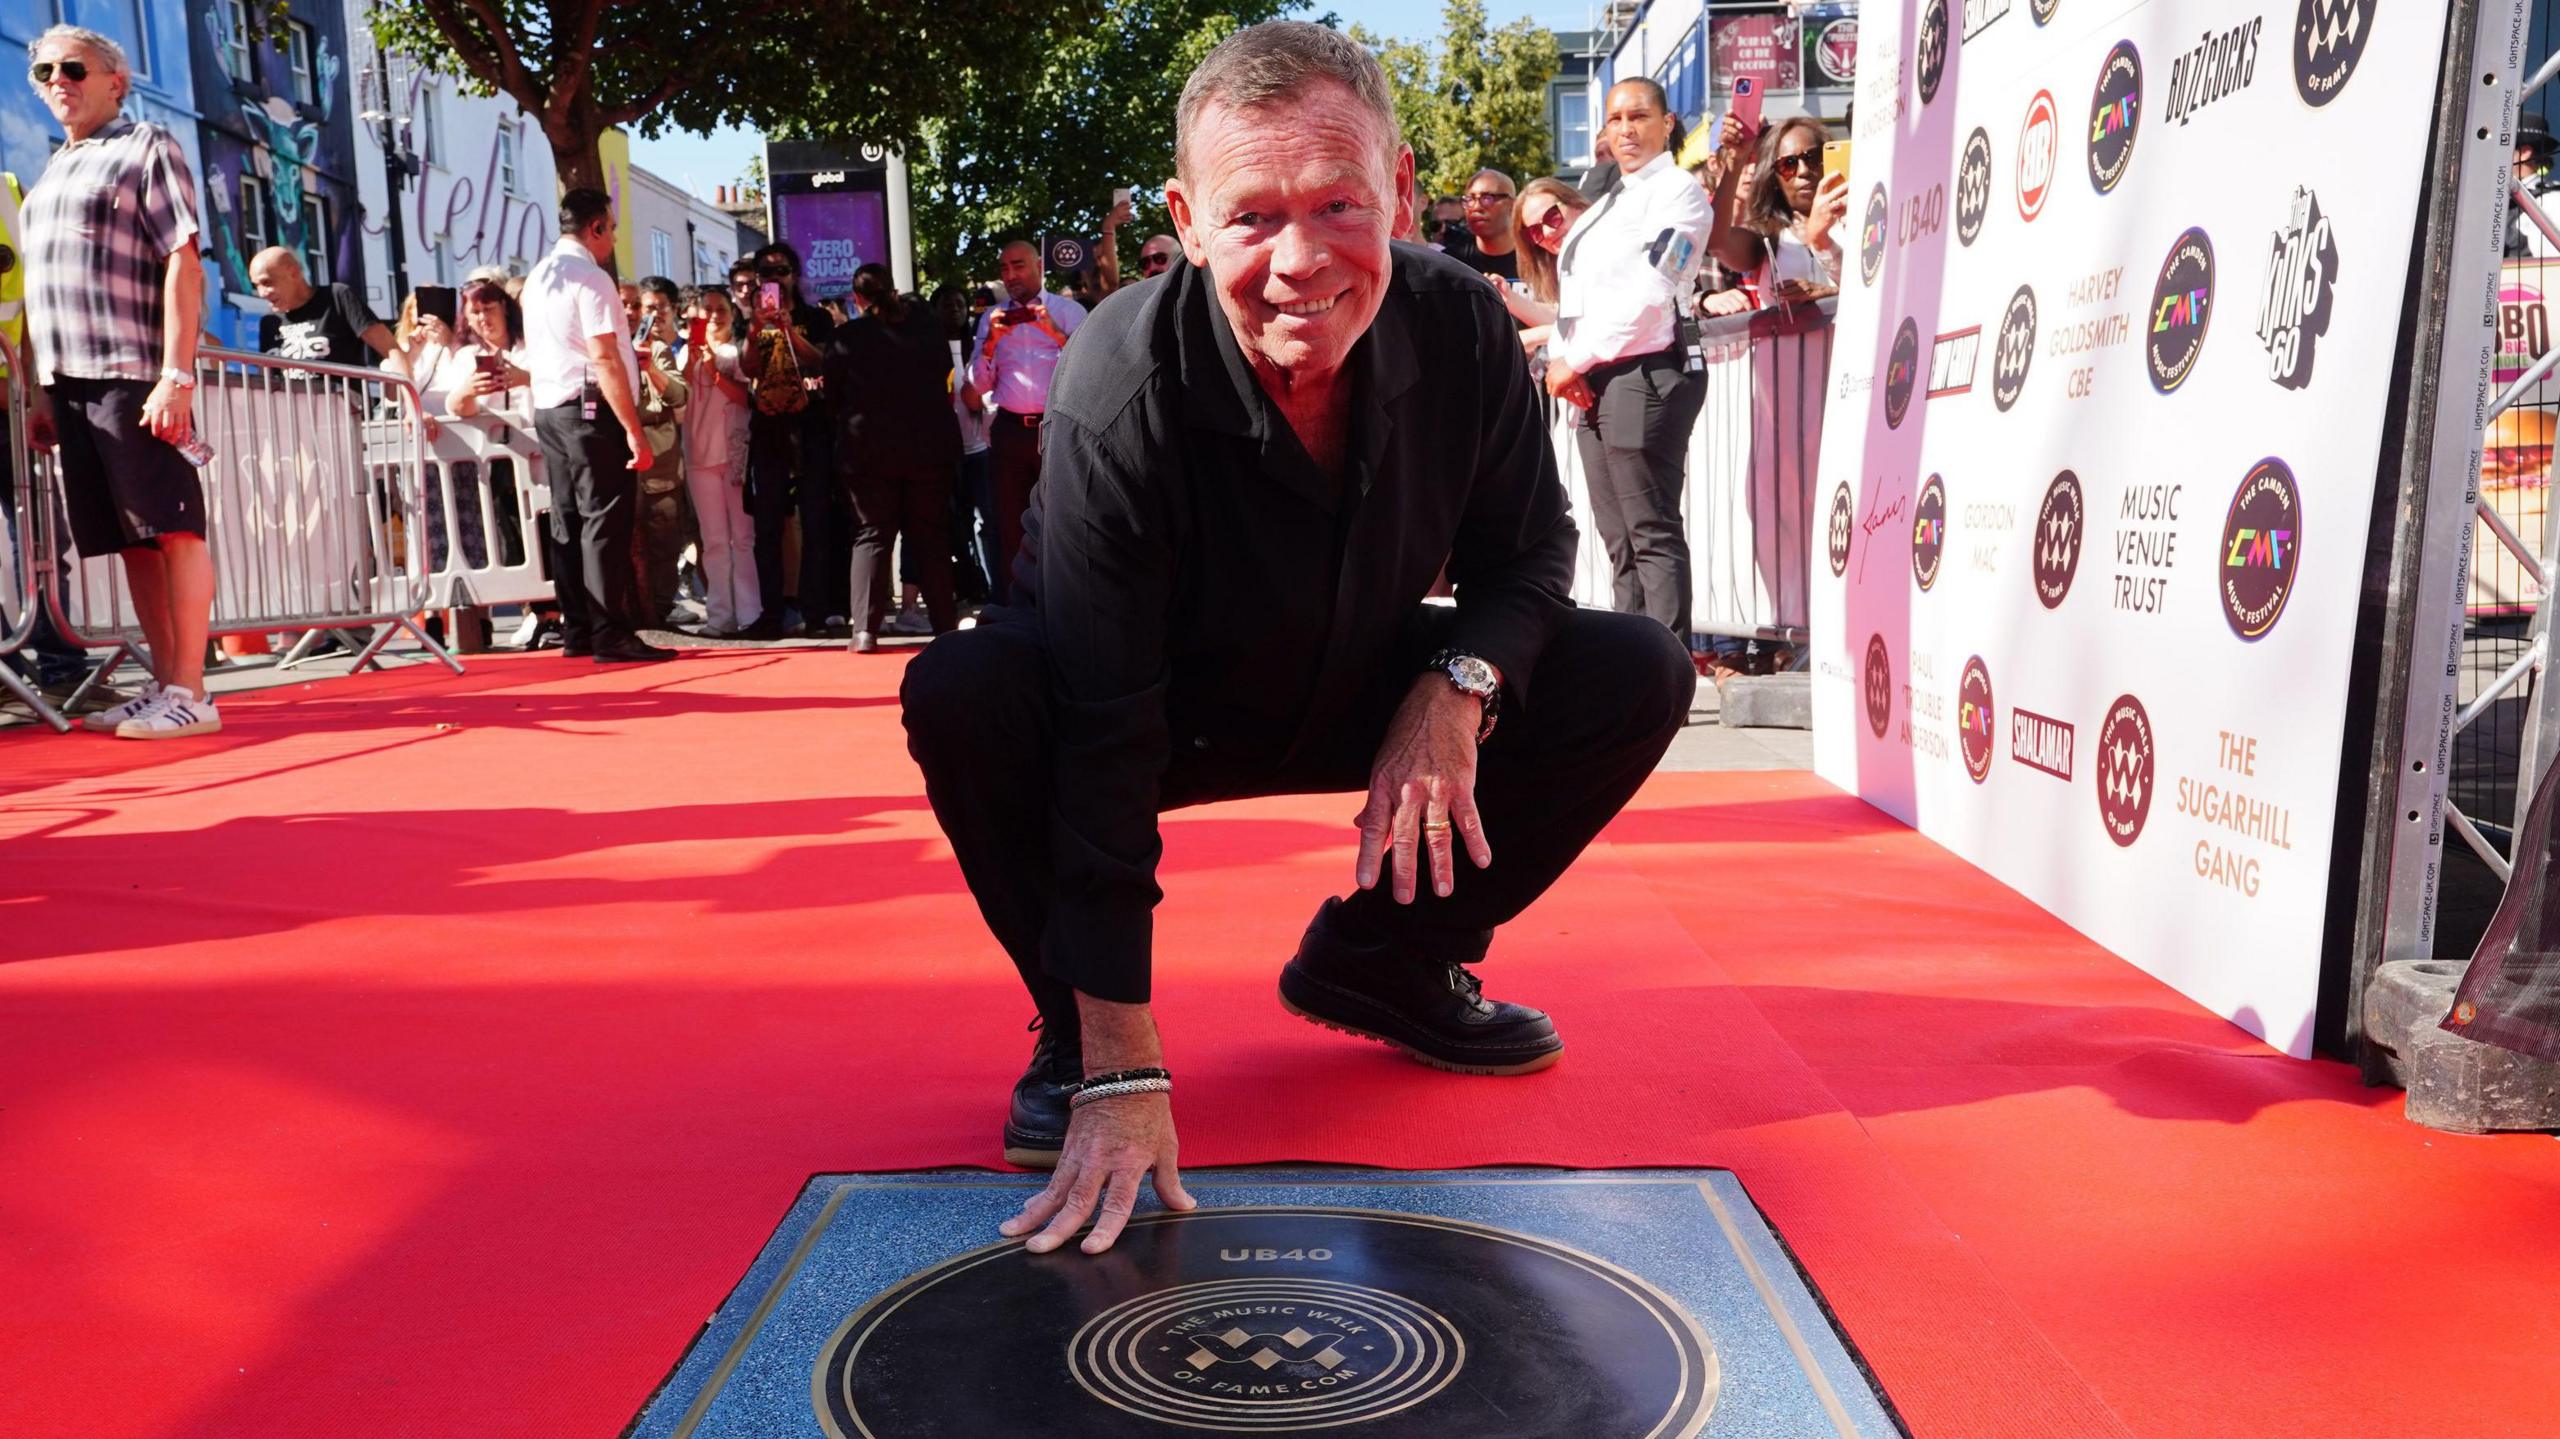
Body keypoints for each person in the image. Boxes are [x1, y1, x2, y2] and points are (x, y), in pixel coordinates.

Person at [900, 21, 1694, 1257]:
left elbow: (1529, 558)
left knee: (1631, 668)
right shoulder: (1117, 375)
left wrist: (1453, 688)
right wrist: (1121, 1061)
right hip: (1138, 699)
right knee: (964, 689)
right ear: (1183, 214)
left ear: (1402, 191)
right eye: (1252, 216)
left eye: (1338, 205)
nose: (1298, 261)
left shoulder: (1462, 324)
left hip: (1360, 673)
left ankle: (1386, 959)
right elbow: (1107, 729)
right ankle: (1071, 1020)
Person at [20, 25, 220, 738]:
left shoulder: (147, 146)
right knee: (134, 538)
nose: (56, 80)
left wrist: (176, 375)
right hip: (71, 382)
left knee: (173, 528)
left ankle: (193, 691)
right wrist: (44, 393)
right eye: (43, 70)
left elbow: (183, 260)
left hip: (133, 370)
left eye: (74, 67)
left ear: (117, 82)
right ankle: (170, 682)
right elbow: (41, 294)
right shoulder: (49, 176)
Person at [1549, 76, 1714, 636]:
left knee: (1651, 529)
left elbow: (1654, 290)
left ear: (1667, 124)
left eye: (1639, 116)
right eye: (1615, 119)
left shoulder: (1679, 193)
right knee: (1618, 536)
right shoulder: (1606, 203)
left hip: (1646, 371)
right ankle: (1635, 667)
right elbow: (1574, 297)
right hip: (1596, 375)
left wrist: (1580, 358)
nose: (1626, 129)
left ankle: (1668, 672)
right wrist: (1564, 359)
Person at [521, 186, 671, 664]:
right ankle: (609, 632)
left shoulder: (539, 277)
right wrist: (632, 426)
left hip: (551, 406)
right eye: (612, 228)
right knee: (604, 519)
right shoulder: (591, 277)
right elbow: (603, 356)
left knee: (568, 519)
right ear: (596, 228)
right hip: (588, 408)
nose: (613, 239)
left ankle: (580, 630)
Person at [829, 263, 961, 652]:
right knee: (931, 536)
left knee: (871, 534)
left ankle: (865, 631)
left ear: (857, 298)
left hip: (867, 450)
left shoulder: (847, 337)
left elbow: (833, 398)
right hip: (928, 448)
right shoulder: (928, 330)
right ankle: (944, 625)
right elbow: (945, 377)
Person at [965, 239, 1086, 601]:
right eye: (1004, 268)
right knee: (1009, 525)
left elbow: (1089, 370)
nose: (1010, 275)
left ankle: (1069, 604)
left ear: (1038, 267)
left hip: (1059, 430)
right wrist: (990, 345)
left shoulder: (1068, 311)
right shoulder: (990, 318)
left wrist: (1054, 333)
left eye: (1018, 265)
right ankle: (1015, 610)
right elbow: (975, 389)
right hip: (1010, 432)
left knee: (1065, 523)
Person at [738, 241, 841, 639]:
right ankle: (772, 612)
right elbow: (748, 369)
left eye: (781, 271)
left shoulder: (816, 318)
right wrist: (754, 329)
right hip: (768, 426)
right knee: (767, 524)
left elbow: (822, 360)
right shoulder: (747, 320)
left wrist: (786, 330)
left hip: (810, 422)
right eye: (766, 272)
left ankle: (816, 610)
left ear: (795, 275)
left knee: (815, 519)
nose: (774, 278)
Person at [432, 277, 532, 575]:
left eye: (488, 308)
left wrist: (525, 377)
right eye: (474, 312)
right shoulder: (464, 357)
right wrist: (468, 390)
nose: (483, 318)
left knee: (544, 530)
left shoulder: (531, 346)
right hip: (494, 461)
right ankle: (537, 612)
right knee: (510, 535)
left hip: (538, 451)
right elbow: (456, 407)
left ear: (504, 307)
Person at [680, 285, 759, 636]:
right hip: (699, 454)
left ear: (732, 312)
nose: (714, 315)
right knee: (712, 541)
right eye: (707, 309)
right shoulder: (685, 353)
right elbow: (677, 393)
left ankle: (750, 613)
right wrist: (694, 355)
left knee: (742, 537)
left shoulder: (739, 350)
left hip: (736, 452)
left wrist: (714, 368)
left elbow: (745, 396)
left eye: (721, 309)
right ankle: (719, 617)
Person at [1709, 114, 1846, 308]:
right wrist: (1735, 161)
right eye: (1788, 164)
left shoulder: (1859, 218)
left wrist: (1831, 294)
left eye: (1813, 158)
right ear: (1772, 176)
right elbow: (1716, 241)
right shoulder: (1765, 235)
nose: (1803, 171)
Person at [631, 275, 691, 625]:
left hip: (662, 456)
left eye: (656, 307)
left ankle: (661, 606)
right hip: (623, 457)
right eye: (642, 307)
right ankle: (632, 609)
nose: (647, 315)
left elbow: (679, 396)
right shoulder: (602, 347)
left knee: (665, 536)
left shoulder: (656, 349)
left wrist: (649, 368)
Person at [251, 246, 400, 371]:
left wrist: (410, 401)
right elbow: (265, 380)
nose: (261, 293)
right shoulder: (269, 322)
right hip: (288, 405)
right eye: (256, 285)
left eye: (267, 282)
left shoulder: (337, 297)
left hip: (339, 403)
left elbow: (391, 349)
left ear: (294, 273)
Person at [2510, 112, 2559, 259]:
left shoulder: (2552, 202)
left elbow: (2550, 270)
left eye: (2503, 146)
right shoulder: (2482, 199)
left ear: (2524, 153)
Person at [1461, 170, 1520, 281]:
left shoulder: (1539, 259)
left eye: (1487, 198)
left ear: (1513, 205)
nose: (1476, 207)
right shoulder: (1452, 261)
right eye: (1470, 199)